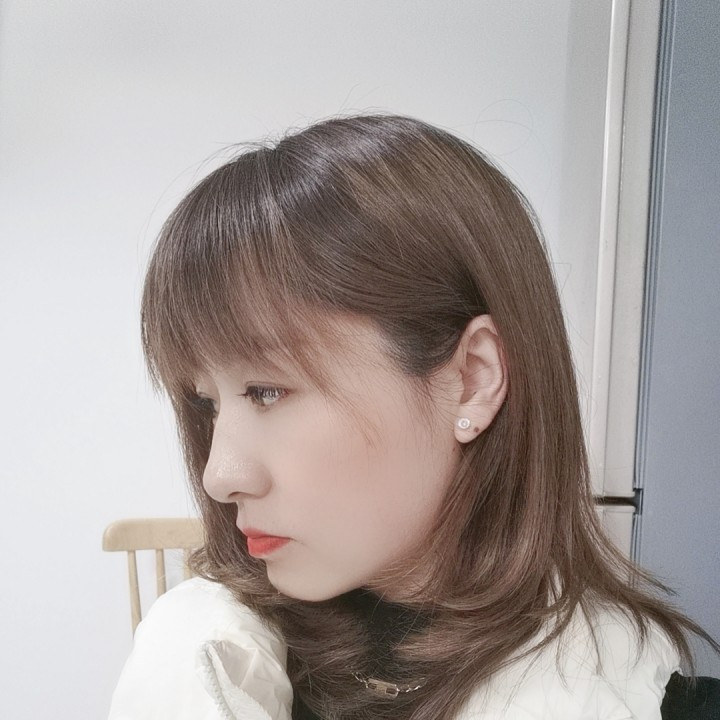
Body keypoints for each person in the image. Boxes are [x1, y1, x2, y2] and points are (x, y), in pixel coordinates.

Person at [108, 113, 718, 720]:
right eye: (206, 403)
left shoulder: (640, 697)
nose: (219, 476)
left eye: (267, 391)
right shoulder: (207, 663)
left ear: (472, 380)